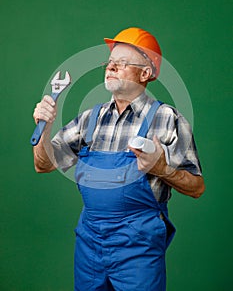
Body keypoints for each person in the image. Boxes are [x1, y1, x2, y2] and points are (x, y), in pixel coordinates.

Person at [32, 27, 205, 291]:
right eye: (109, 62)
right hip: (90, 243)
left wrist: (162, 169)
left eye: (121, 63)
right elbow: (43, 164)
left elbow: (196, 187)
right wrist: (44, 127)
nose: (111, 67)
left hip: (139, 246)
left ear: (146, 73)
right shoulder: (90, 118)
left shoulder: (168, 119)